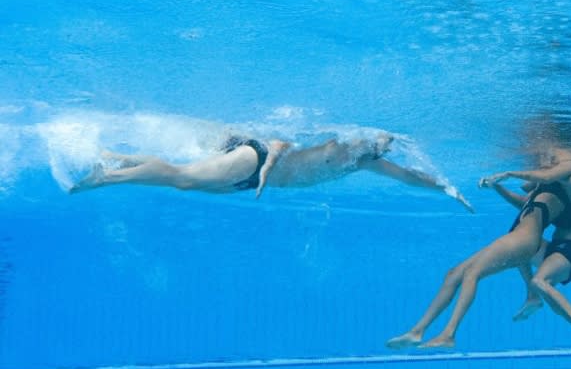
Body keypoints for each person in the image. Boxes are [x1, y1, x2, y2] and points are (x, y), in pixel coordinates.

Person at [385, 144, 571, 349]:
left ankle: (448, 334)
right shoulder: (542, 190)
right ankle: (417, 331)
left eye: (546, 155)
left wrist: (511, 173)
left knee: (472, 274)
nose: (542, 158)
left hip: (524, 240)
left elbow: (548, 177)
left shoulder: (566, 178)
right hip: (517, 238)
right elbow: (524, 201)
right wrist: (496, 186)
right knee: (454, 274)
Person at [69, 133, 474, 212]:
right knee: (185, 177)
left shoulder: (362, 162)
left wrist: (448, 190)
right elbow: (281, 142)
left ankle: (112, 157)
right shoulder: (339, 143)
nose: (382, 150)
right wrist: (263, 176)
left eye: (384, 148)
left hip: (248, 183)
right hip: (255, 160)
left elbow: (409, 177)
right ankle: (105, 177)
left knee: (185, 183)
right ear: (365, 137)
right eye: (379, 143)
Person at [499, 150, 571, 342]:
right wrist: (497, 187)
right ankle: (533, 297)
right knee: (518, 245)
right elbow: (525, 202)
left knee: (540, 281)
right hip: (554, 247)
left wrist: (551, 177)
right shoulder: (557, 183)